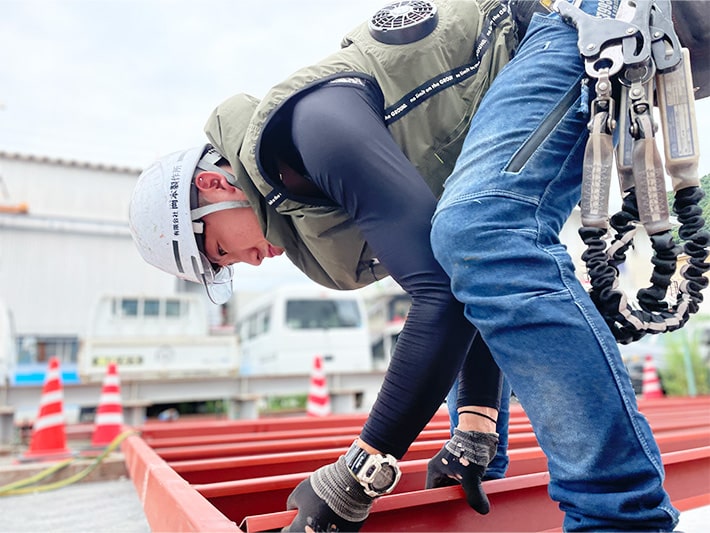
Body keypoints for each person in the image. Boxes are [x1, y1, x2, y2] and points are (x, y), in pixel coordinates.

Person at [129, 1, 521, 530]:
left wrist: (357, 475)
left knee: (528, 280)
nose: (246, 261)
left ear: (213, 185)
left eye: (221, 251)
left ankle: (614, 509)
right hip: (521, 85)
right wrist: (474, 429)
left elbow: (446, 294)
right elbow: (468, 272)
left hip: (542, 36)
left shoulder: (314, 130)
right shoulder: (302, 191)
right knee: (488, 257)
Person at [430, 0, 709, 530]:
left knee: (481, 225)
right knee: (477, 235)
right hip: (578, 25)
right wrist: (476, 427)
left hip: (584, 18)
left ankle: (618, 517)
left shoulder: (325, 117)